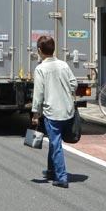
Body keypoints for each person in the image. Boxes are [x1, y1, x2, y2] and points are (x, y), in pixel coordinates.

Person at [30, 35, 77, 189]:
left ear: (39, 50)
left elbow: (38, 94)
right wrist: (65, 92)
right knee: (54, 141)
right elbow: (74, 84)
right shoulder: (63, 65)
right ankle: (51, 171)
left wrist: (35, 113)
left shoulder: (40, 69)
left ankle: (62, 177)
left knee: (55, 143)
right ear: (54, 49)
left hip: (52, 112)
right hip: (67, 110)